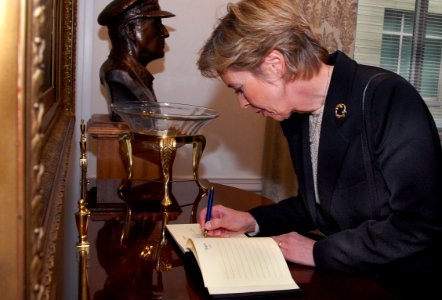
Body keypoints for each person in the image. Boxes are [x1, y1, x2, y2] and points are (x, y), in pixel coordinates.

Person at [197, 0, 442, 296]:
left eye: (239, 88)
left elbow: (418, 225)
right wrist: (252, 220)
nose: (242, 102)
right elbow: (317, 206)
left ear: (275, 65)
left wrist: (319, 251)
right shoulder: (296, 116)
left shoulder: (385, 96)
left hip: (400, 283)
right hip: (347, 279)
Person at [97, 0, 174, 121]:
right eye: (156, 25)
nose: (165, 33)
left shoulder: (135, 75)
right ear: (131, 31)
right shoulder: (118, 75)